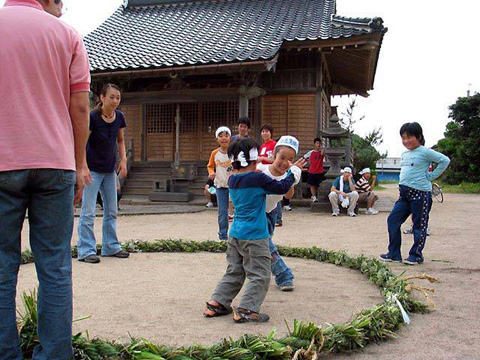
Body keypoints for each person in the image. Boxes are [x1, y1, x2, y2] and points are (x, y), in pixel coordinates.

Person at [0, 0, 91, 358]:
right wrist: (79, 162)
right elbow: (81, 106)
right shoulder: (66, 35)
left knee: (2, 266)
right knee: (54, 265)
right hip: (54, 163)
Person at [203, 138, 301, 323]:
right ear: (255, 160)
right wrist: (293, 172)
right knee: (261, 275)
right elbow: (281, 186)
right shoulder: (257, 178)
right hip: (255, 236)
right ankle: (247, 309)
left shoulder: (233, 179)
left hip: (235, 235)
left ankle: (218, 302)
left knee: (234, 271)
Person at [380, 122, 450, 265]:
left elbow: (444, 160)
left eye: (409, 137)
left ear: (418, 136)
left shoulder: (425, 151)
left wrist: (431, 177)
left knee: (418, 226)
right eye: (403, 138)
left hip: (421, 194)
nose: (405, 141)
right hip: (404, 195)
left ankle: (416, 255)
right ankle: (394, 253)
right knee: (393, 220)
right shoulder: (405, 154)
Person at [77, 84, 130, 264]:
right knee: (88, 211)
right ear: (102, 97)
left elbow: (121, 140)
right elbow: (82, 142)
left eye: (118, 98)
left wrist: (123, 160)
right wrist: (82, 166)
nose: (115, 101)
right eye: (112, 97)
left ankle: (111, 246)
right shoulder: (92, 117)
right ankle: (86, 250)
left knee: (112, 211)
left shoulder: (119, 117)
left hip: (109, 170)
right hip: (92, 169)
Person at [257, 136, 305, 291]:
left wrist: (292, 177)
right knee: (266, 246)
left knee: (263, 246)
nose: (284, 163)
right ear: (273, 156)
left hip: (271, 214)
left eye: (289, 159)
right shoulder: (261, 170)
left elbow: (289, 195)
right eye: (281, 157)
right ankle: (284, 275)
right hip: (256, 214)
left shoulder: (289, 176)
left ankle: (259, 272)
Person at [207, 126, 233, 241]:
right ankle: (223, 236)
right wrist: (211, 173)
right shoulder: (214, 153)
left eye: (226, 136)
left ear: (230, 138)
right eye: (220, 136)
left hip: (234, 186)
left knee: (239, 211)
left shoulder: (234, 151)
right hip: (220, 186)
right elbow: (210, 166)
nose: (223, 138)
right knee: (222, 212)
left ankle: (238, 236)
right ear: (217, 139)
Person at [304, 138, 325, 202]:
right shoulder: (311, 152)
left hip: (319, 171)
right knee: (312, 184)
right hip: (312, 171)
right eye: (317, 143)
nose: (318, 145)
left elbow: (322, 156)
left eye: (319, 143)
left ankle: (318, 196)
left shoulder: (321, 153)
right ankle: (313, 196)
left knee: (319, 185)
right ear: (314, 144)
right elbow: (304, 157)